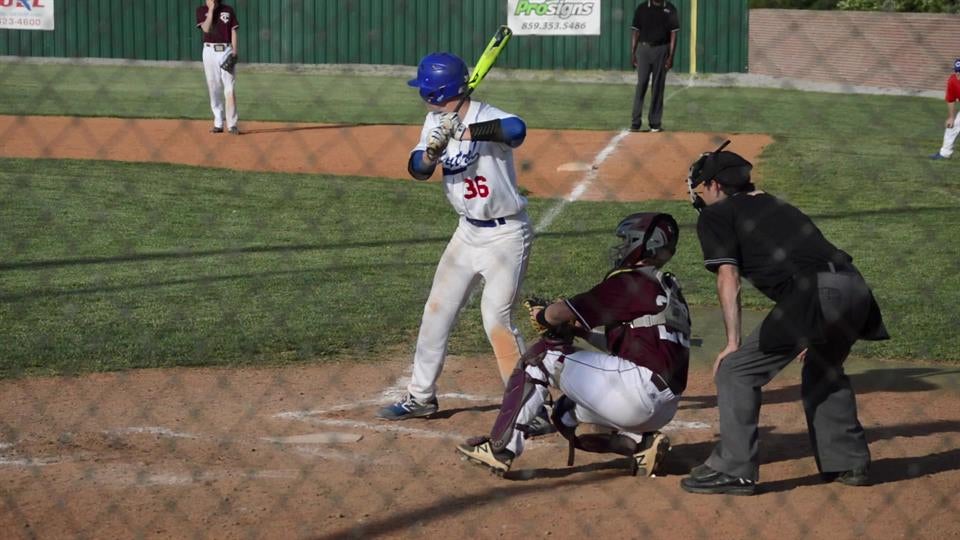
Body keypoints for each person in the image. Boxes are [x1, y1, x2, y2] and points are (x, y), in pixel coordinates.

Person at [679, 142, 889, 496]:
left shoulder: (718, 215)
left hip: (814, 295)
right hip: (854, 288)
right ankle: (849, 462)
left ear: (716, 185)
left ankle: (734, 470)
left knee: (736, 370)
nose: (703, 196)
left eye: (704, 188)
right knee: (823, 367)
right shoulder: (778, 205)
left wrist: (732, 343)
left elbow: (727, 277)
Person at [376, 52, 545, 432]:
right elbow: (417, 170)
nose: (421, 96)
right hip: (466, 233)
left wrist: (466, 132)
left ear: (438, 91)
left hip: (506, 234)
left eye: (425, 91)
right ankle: (421, 397)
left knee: (495, 318)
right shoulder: (434, 121)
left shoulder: (486, 116)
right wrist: (431, 151)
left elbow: (518, 130)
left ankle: (532, 408)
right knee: (436, 311)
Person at [456, 213, 690, 477]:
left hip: (636, 393)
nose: (622, 246)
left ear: (643, 243)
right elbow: (631, 347)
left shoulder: (631, 282)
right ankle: (641, 443)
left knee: (541, 356)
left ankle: (500, 450)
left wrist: (543, 315)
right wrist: (583, 333)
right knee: (565, 412)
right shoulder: (668, 290)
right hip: (663, 407)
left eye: (627, 240)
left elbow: (560, 313)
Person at [629, 0, 679, 133]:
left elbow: (674, 34)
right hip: (643, 49)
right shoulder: (642, 8)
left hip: (661, 50)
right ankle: (635, 122)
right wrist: (633, 52)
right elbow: (635, 32)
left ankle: (655, 123)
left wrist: (671, 56)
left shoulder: (670, 8)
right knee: (642, 84)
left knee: (658, 86)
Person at [196, 0, 239, 135]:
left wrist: (235, 51)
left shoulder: (228, 9)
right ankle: (218, 123)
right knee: (213, 87)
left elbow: (233, 30)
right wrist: (211, 10)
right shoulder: (201, 10)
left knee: (229, 88)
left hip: (226, 50)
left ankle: (232, 125)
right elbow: (206, 28)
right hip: (209, 51)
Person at [929, 58, 960, 160]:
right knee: (952, 126)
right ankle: (945, 153)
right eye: (957, 72)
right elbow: (951, 99)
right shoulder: (953, 81)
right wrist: (951, 117)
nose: (958, 75)